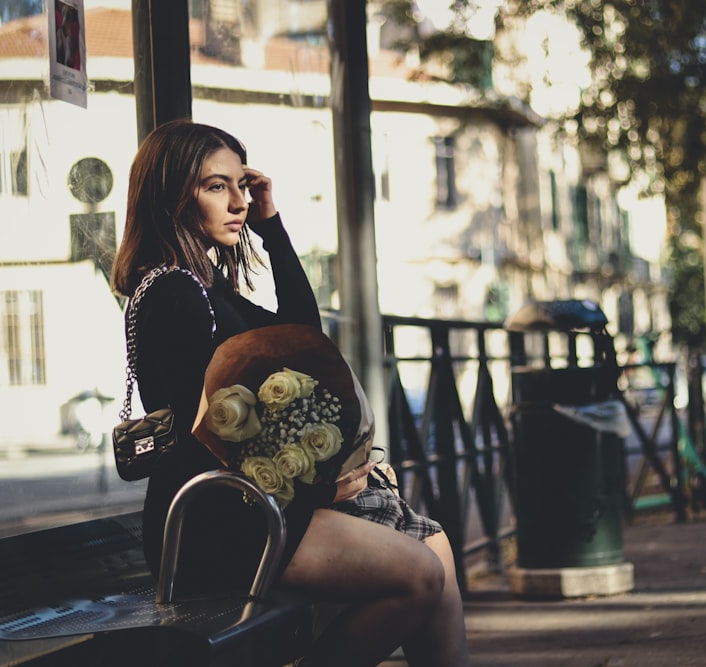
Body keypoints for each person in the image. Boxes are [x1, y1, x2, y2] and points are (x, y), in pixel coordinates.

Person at [110, 119, 470, 667]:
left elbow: (305, 336)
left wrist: (271, 225)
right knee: (420, 574)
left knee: (434, 552)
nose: (238, 202)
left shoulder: (208, 288)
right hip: (215, 522)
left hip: (251, 505)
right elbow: (204, 438)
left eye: (241, 185)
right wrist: (324, 488)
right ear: (173, 196)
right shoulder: (173, 293)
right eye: (216, 186)